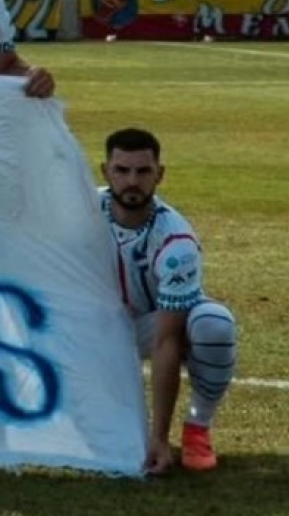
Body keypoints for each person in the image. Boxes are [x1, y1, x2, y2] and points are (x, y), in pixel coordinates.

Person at [101, 128, 237, 474]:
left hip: (151, 324)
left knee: (213, 324)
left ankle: (197, 427)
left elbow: (166, 341)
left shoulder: (176, 241)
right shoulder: (81, 210)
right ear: (105, 172)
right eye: (122, 170)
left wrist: (159, 437)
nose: (132, 181)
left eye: (143, 171)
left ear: (159, 174)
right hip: (96, 325)